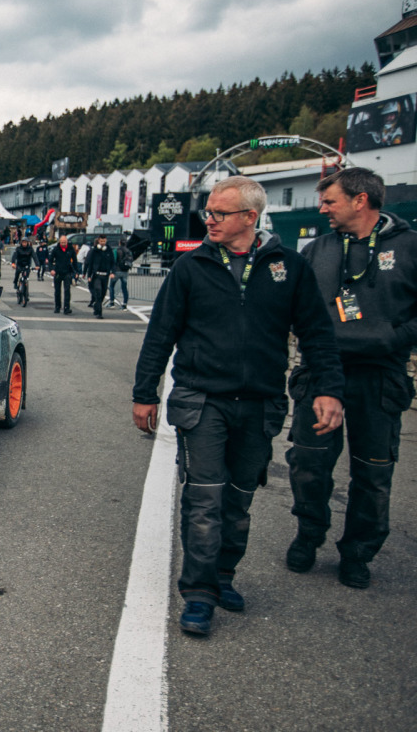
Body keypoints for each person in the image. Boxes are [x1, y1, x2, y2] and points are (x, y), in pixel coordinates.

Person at [133, 176, 344, 637]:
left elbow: (317, 333)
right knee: (204, 498)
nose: (209, 219)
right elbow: (160, 334)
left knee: (238, 501)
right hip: (201, 400)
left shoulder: (287, 266)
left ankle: (223, 576)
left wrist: (330, 389)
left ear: (251, 217)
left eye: (219, 214)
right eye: (208, 212)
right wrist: (144, 392)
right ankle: (200, 594)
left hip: (260, 403)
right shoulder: (191, 268)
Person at [284, 167, 417, 589]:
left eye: (330, 201)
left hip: (381, 375)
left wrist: (392, 338)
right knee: (308, 463)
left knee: (373, 472)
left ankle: (358, 552)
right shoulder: (317, 249)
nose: (322, 208)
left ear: (361, 200)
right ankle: (309, 534)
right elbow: (295, 307)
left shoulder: (410, 246)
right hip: (323, 372)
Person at [84, 234, 115, 318]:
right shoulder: (94, 251)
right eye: (101, 241)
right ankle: (99, 313)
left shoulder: (109, 250)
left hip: (105, 276)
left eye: (104, 241)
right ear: (98, 241)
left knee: (103, 294)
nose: (102, 243)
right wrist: (89, 275)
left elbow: (112, 262)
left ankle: (96, 307)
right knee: (98, 291)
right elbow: (90, 263)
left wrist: (112, 272)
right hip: (97, 275)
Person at [48, 234, 77, 314]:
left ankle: (66, 308)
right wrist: (51, 269)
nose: (63, 244)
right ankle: (57, 306)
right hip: (58, 272)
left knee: (67, 290)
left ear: (67, 242)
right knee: (57, 291)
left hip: (67, 271)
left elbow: (74, 260)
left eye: (64, 242)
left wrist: (76, 272)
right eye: (62, 242)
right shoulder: (56, 249)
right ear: (59, 242)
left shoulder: (70, 249)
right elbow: (50, 260)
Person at [109, 237, 133, 309]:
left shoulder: (116, 250)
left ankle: (112, 302)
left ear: (119, 243)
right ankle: (124, 304)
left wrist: (111, 271)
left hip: (117, 271)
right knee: (124, 288)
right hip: (125, 271)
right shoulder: (129, 251)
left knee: (111, 286)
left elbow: (113, 261)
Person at [10, 237, 33, 307]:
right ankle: (15, 283)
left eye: (26, 242)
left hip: (27, 265)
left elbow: (35, 257)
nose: (24, 244)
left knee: (26, 279)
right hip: (20, 265)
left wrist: (37, 265)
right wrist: (13, 263)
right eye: (23, 242)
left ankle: (26, 294)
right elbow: (14, 256)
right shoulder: (18, 249)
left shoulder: (30, 249)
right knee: (17, 273)